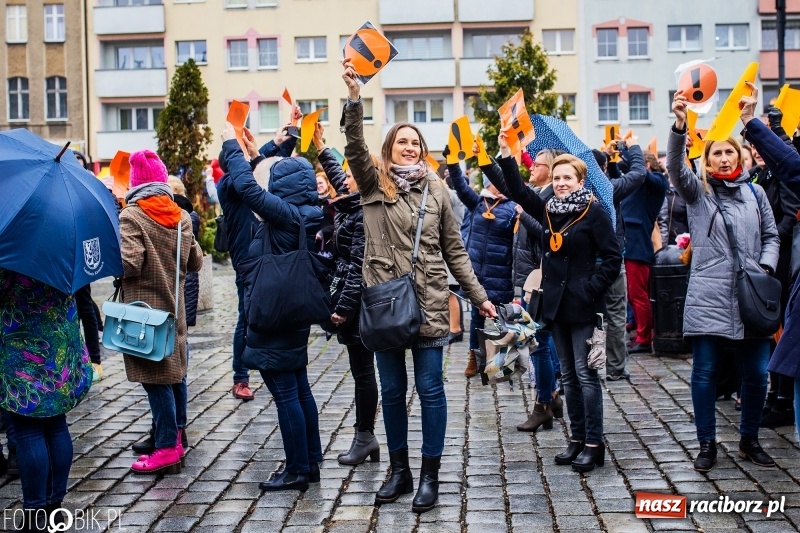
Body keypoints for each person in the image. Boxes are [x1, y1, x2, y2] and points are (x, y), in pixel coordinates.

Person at [342, 60, 495, 513]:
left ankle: (429, 476)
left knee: (430, 390)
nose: (409, 148)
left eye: (415, 143)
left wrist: (480, 297)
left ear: (423, 151)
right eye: (402, 142)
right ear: (390, 148)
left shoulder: (438, 190)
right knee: (391, 391)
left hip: (429, 300)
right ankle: (399, 471)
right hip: (384, 303)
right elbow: (353, 147)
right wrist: (354, 98)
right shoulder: (373, 183)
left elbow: (455, 250)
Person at [493, 138, 622, 472]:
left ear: (580, 181)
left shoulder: (593, 212)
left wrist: (590, 288)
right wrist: (507, 155)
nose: (562, 183)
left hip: (582, 306)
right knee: (567, 374)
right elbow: (520, 194)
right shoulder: (551, 211)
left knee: (585, 375)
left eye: (568, 178)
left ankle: (594, 444)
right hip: (555, 306)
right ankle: (576, 439)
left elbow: (611, 258)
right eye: (558, 178)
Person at [669, 89, 779, 472]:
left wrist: (764, 268)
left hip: (751, 298)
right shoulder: (698, 194)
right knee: (705, 373)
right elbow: (674, 168)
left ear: (740, 155)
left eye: (729, 151)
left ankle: (749, 440)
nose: (723, 156)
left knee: (757, 374)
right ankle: (706, 445)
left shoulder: (756, 193)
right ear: (708, 159)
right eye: (716, 152)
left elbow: (771, 236)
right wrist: (681, 126)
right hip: (709, 297)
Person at [222, 123, 324, 492]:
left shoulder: (282, 214)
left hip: (272, 310)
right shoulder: (311, 211)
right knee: (299, 388)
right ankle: (311, 460)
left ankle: (296, 469)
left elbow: (247, 189)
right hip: (294, 310)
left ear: (280, 189)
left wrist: (231, 147)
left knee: (285, 394)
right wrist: (258, 153)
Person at [120, 150, 204, 475]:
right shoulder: (181, 217)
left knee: (157, 381)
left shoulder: (132, 216)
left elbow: (130, 262)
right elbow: (196, 262)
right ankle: (178, 436)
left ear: (136, 182)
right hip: (175, 310)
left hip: (145, 313)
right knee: (176, 374)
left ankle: (167, 446)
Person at [216, 109, 300, 401]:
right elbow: (250, 176)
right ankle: (240, 376)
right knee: (246, 317)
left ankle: (271, 360)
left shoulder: (250, 177)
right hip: (247, 262)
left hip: (268, 256)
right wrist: (256, 148)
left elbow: (271, 172)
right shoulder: (228, 186)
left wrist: (286, 137)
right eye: (235, 153)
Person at [478, 146, 564, 431]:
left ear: (550, 169)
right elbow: (508, 184)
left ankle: (544, 402)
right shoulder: (538, 194)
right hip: (532, 280)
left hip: (543, 281)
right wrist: (487, 160)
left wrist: (522, 213)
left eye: (536, 164)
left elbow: (547, 234)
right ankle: (549, 396)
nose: (531, 167)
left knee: (540, 343)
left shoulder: (553, 197)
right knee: (539, 342)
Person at [0, 268, 92, 529]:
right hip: (58, 352)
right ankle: (55, 507)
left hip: (23, 355)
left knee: (28, 431)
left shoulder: (10, 254)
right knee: (56, 425)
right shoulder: (64, 250)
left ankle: (35, 512)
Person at [312, 124, 381, 466]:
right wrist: (322, 148)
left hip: (363, 303)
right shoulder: (354, 201)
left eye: (352, 173)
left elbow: (358, 264)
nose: (346, 178)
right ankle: (365, 436)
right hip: (354, 298)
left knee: (364, 372)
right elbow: (340, 181)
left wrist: (342, 308)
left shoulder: (365, 212)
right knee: (360, 371)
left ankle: (365, 436)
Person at [747, 115, 800, 429]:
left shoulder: (779, 172)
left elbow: (789, 213)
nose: (756, 152)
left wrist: (771, 240)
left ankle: (780, 400)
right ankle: (778, 397)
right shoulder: (759, 175)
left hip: (780, 257)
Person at [447, 155, 517, 379]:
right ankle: (474, 358)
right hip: (476, 272)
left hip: (501, 272)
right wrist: (452, 162)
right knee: (477, 319)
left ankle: (499, 361)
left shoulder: (514, 206)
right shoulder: (477, 202)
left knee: (500, 319)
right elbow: (459, 185)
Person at [620, 151, 669, 354]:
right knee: (633, 295)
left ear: (646, 165)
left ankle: (644, 337)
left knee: (638, 295)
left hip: (638, 244)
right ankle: (639, 330)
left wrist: (633, 152)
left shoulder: (657, 181)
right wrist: (618, 155)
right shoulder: (639, 184)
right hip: (629, 242)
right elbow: (622, 174)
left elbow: (639, 172)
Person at [315, 172, 337, 259]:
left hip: (330, 245)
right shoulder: (315, 202)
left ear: (327, 183)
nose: (318, 186)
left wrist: (323, 231)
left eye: (320, 183)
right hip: (316, 246)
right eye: (316, 183)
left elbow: (340, 223)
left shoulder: (334, 201)